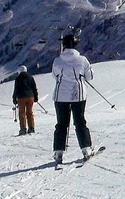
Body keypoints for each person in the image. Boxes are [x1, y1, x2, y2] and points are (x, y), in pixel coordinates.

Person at [52, 34, 94, 164]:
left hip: (60, 96)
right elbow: (90, 76)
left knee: (61, 124)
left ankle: (58, 152)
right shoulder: (82, 60)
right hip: (78, 95)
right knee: (80, 121)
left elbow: (55, 76)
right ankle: (86, 149)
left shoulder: (57, 60)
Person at [13, 65, 38, 135]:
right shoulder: (31, 77)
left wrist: (14, 98)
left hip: (21, 97)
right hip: (30, 96)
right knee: (29, 112)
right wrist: (35, 97)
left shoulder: (18, 79)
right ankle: (31, 128)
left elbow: (16, 89)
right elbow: (34, 88)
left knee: (22, 113)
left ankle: (23, 129)